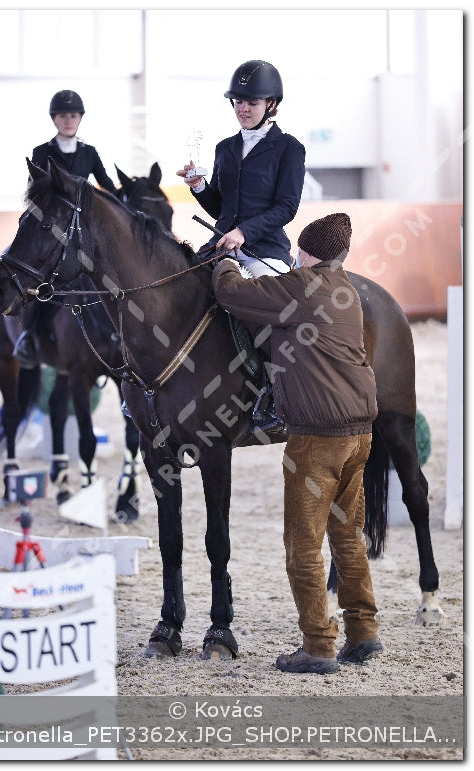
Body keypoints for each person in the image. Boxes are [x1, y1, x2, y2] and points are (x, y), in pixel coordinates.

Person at [212, 212, 383, 675]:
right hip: (360, 433)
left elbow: (231, 295)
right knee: (347, 533)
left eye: (301, 251)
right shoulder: (346, 290)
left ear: (307, 253)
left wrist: (228, 261)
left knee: (302, 544)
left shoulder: (301, 286)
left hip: (316, 439)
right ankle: (363, 632)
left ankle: (317, 646)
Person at [177, 60, 306, 429]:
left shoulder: (289, 149)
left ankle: (271, 395)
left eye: (250, 102)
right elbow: (222, 207)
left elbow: (287, 207)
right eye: (237, 102)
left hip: (265, 250)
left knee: (266, 312)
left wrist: (245, 233)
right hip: (222, 244)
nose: (242, 109)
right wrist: (199, 188)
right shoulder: (225, 148)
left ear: (271, 104)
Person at [13, 89, 116, 368]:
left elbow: (106, 185)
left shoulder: (89, 153)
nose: (68, 120)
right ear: (54, 119)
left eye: (73, 115)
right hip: (53, 228)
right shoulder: (41, 152)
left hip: (83, 231)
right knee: (40, 279)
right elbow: (35, 193)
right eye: (62, 115)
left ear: (80, 118)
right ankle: (29, 335)